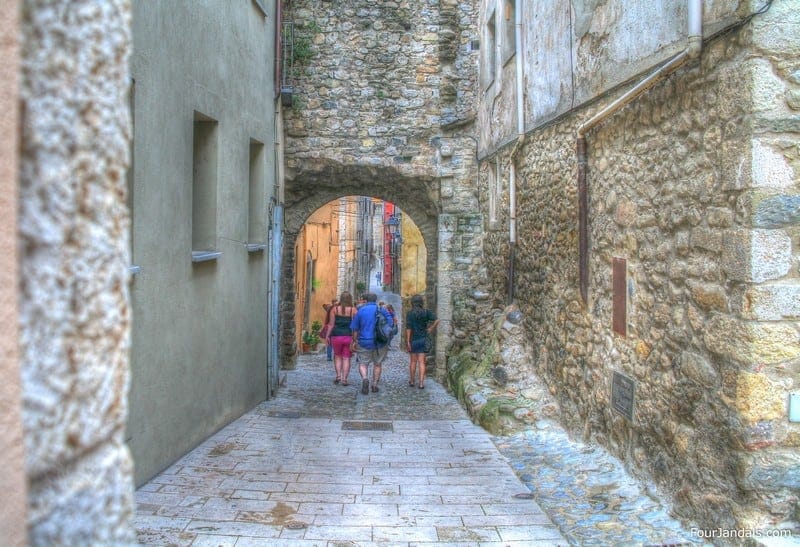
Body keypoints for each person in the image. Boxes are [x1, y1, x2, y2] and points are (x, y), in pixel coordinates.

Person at [350, 292, 394, 394]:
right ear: (375, 300)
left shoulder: (361, 311)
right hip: (380, 342)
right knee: (377, 364)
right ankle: (374, 385)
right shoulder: (382, 309)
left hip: (365, 340)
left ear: (366, 300)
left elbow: (355, 328)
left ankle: (365, 378)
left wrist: (354, 341)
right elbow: (390, 323)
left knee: (363, 363)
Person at [405, 294, 439, 389]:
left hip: (413, 340)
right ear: (421, 302)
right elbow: (437, 320)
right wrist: (431, 328)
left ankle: (412, 381)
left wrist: (408, 341)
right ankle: (421, 383)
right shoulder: (426, 312)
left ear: (412, 303)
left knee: (413, 362)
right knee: (422, 362)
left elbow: (409, 328)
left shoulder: (410, 313)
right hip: (423, 339)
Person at [324, 292, 357, 386]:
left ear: (341, 299)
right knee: (346, 358)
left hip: (336, 336)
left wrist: (327, 336)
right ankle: (344, 379)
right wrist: (355, 339)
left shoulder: (335, 309)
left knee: (337, 356)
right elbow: (356, 326)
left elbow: (331, 324)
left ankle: (338, 376)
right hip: (348, 336)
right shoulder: (353, 310)